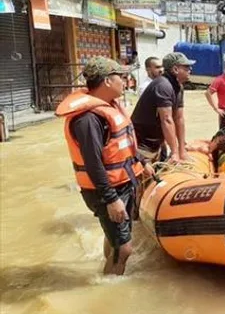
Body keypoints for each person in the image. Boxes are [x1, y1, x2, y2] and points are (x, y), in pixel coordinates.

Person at [55, 57, 153, 275]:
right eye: (122, 77)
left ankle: (106, 272)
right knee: (125, 249)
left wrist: (142, 160)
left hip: (123, 183)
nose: (126, 81)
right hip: (107, 191)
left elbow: (121, 146)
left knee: (115, 241)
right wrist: (111, 199)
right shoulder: (88, 119)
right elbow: (93, 163)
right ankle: (110, 290)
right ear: (108, 81)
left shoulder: (110, 107)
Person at [131, 52, 194, 164]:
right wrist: (174, 153)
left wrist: (181, 151)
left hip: (157, 142)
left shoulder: (178, 87)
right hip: (142, 144)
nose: (190, 69)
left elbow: (179, 119)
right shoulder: (162, 86)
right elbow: (167, 120)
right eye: (186, 67)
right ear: (175, 69)